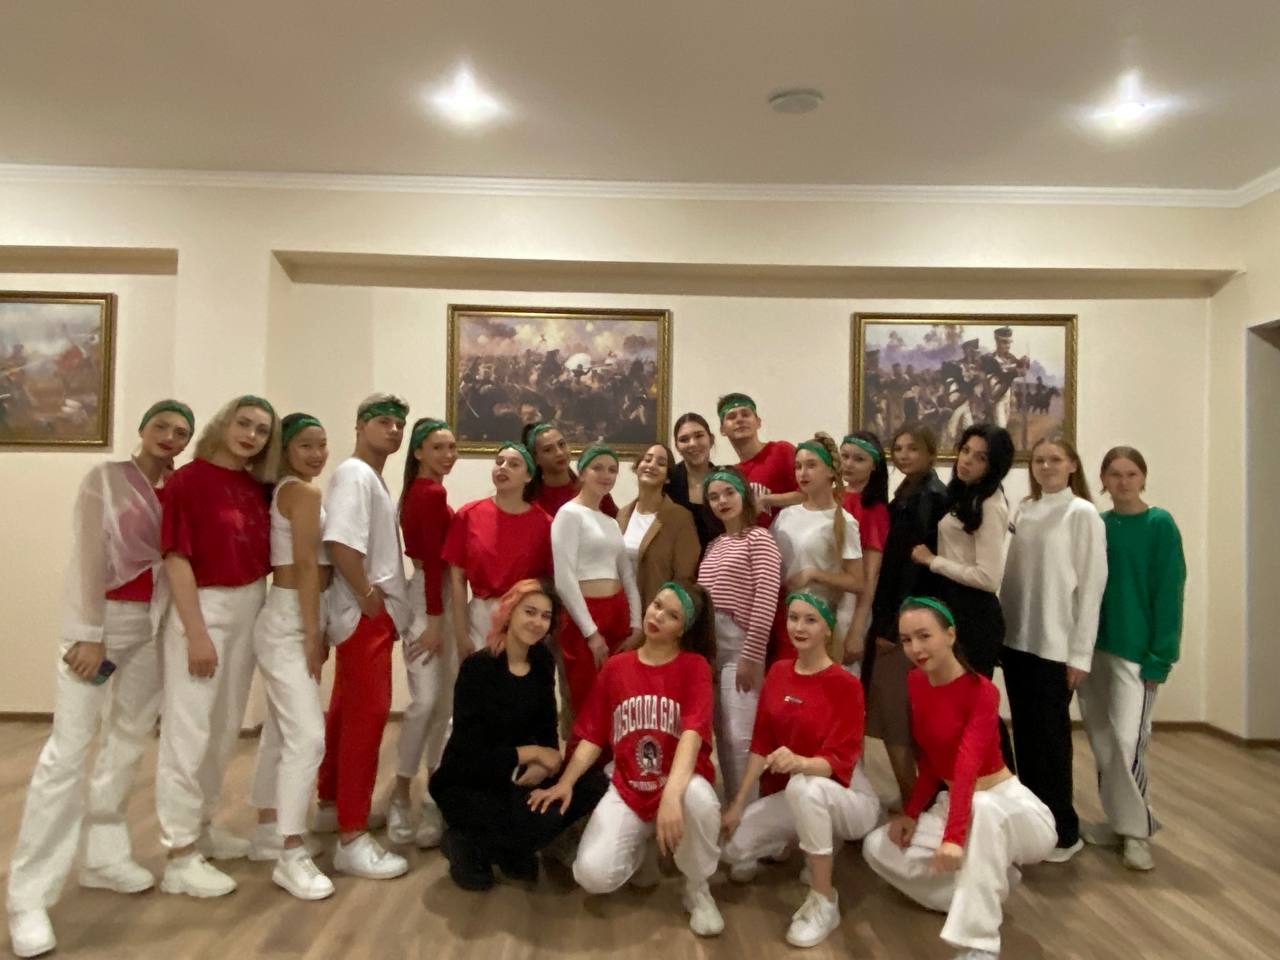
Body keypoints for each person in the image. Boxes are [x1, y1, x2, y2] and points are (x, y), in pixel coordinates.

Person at [7, 401, 194, 958]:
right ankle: (28, 897)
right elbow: (89, 557)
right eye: (161, 426)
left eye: (180, 431)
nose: (169, 436)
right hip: (100, 627)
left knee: (129, 739)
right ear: (142, 428)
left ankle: (104, 856)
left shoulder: (178, 489)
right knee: (68, 752)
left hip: (151, 627)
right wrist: (88, 634)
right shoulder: (105, 479)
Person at [863, 598, 1056, 960]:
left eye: (924, 636)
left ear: (950, 635)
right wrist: (911, 813)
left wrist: (953, 838)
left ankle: (980, 943)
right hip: (955, 801)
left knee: (984, 806)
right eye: (906, 640)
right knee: (876, 847)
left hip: (1006, 803)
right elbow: (932, 761)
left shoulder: (982, 690)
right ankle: (985, 889)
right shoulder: (916, 682)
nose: (915, 648)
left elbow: (967, 765)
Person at [529, 582, 725, 937]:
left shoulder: (694, 667)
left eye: (671, 615)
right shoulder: (617, 666)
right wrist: (566, 782)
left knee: (701, 800)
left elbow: (693, 735)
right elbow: (592, 734)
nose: (657, 616)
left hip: (679, 783)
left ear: (683, 629)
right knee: (591, 875)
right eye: (657, 605)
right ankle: (642, 848)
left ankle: (697, 887)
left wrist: (671, 795)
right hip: (629, 785)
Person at [154, 395, 278, 897]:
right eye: (243, 423)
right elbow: (175, 557)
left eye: (261, 430)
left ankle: (202, 827)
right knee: (188, 730)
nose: (250, 435)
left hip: (249, 604)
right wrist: (197, 632)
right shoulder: (188, 481)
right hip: (203, 606)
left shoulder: (255, 486)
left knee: (224, 726)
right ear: (223, 424)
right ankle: (179, 853)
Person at [720, 593, 880, 949]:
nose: (799, 627)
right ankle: (802, 839)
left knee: (805, 788)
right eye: (793, 618)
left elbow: (840, 761)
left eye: (810, 620)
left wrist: (801, 763)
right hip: (801, 788)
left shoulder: (846, 684)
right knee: (733, 849)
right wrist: (738, 804)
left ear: (828, 628)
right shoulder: (778, 672)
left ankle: (824, 899)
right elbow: (761, 743)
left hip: (848, 794)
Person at [430, 579, 607, 891]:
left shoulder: (542, 662)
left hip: (517, 775)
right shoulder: (478, 668)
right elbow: (472, 753)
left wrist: (546, 765)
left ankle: (509, 845)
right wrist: (532, 754)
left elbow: (547, 730)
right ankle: (465, 842)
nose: (537, 622)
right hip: (471, 781)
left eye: (545, 616)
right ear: (509, 613)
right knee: (487, 870)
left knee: (593, 783)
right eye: (529, 612)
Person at [312, 393, 412, 880]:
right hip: (363, 613)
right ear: (359, 425)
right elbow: (341, 544)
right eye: (384, 421)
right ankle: (351, 836)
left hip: (366, 612)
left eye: (399, 424)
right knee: (366, 721)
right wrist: (370, 597)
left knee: (346, 710)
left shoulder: (369, 477)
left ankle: (332, 804)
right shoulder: (355, 474)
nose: (393, 430)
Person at [1077, 446, 1186, 872]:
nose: (1123, 482)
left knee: (1128, 743)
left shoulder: (1160, 524)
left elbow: (1169, 591)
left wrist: (1161, 657)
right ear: (1103, 480)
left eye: (1131, 474)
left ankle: (1138, 833)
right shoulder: (1097, 523)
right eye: (1115, 474)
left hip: (1137, 655)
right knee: (1104, 744)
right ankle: (1118, 823)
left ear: (1143, 477)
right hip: (1092, 651)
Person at [1000, 434, 1107, 863]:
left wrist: (1080, 655)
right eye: (1039, 460)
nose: (1046, 467)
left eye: (1055, 460)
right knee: (1026, 738)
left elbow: (1092, 588)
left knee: (1051, 741)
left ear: (1072, 465)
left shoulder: (1082, 514)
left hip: (1056, 647)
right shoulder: (1025, 509)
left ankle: (1065, 830)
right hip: (1017, 642)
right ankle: (1035, 825)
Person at [247, 413, 333, 900]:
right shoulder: (302, 492)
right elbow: (305, 564)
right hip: (289, 617)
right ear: (285, 449)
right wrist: (312, 631)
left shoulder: (286, 489)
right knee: (307, 736)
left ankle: (267, 826)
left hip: (284, 614)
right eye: (306, 445)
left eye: (322, 444)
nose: (317, 454)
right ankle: (291, 851)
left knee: (282, 730)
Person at [910, 425, 1016, 767]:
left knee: (976, 707)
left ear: (994, 465)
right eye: (966, 451)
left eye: (980, 457)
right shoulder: (964, 494)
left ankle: (1001, 783)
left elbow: (988, 577)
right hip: (952, 607)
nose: (967, 461)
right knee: (952, 705)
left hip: (975, 615)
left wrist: (933, 561)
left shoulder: (990, 504)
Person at [866, 424, 948, 803]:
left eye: (912, 448)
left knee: (897, 715)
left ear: (930, 453)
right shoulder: (906, 493)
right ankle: (917, 796)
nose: (903, 455)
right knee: (896, 713)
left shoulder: (929, 497)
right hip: (899, 617)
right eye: (897, 449)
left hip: (905, 621)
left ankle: (916, 799)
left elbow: (911, 570)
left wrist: (892, 627)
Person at [386, 418, 457, 850]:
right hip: (429, 601)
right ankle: (400, 791)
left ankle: (434, 794)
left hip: (442, 597)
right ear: (418, 452)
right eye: (437, 448)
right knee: (426, 702)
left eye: (451, 447)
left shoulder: (424, 491)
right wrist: (433, 621)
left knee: (444, 705)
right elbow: (431, 563)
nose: (447, 455)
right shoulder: (428, 493)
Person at [696, 470, 782, 802]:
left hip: (740, 648)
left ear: (743, 495)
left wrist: (752, 655)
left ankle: (749, 814)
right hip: (713, 651)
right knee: (722, 734)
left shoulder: (760, 539)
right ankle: (734, 808)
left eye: (728, 493)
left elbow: (766, 598)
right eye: (714, 496)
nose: (722, 501)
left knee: (740, 736)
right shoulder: (714, 544)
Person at [551, 444, 642, 717]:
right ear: (582, 472)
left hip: (617, 613)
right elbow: (564, 577)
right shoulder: (569, 514)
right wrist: (591, 632)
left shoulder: (610, 522)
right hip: (586, 616)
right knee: (588, 698)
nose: (606, 475)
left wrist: (636, 624)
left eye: (612, 470)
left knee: (618, 697)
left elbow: (627, 575)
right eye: (598, 468)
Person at [443, 442, 553, 654]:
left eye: (513, 464)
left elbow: (551, 580)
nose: (503, 468)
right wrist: (461, 634)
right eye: (499, 462)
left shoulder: (544, 523)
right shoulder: (469, 515)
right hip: (480, 616)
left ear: (528, 476)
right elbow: (457, 579)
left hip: (525, 616)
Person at [770, 433, 864, 665]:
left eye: (811, 465)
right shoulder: (785, 516)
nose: (803, 473)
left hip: (819, 618)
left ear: (830, 471)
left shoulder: (843, 521)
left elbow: (856, 581)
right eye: (798, 466)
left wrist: (814, 574)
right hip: (785, 615)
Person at [617, 442, 700, 610]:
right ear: (637, 467)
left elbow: (684, 578)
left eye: (661, 463)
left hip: (655, 614)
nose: (652, 465)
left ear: (667, 477)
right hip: (620, 611)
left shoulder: (680, 518)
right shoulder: (622, 514)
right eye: (647, 460)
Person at [839, 431, 890, 670]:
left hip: (851, 601)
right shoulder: (834, 496)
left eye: (859, 459)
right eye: (845, 456)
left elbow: (870, 574)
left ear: (873, 466)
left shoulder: (873, 509)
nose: (849, 464)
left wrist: (857, 629)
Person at [715, 393, 800, 526]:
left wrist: (767, 500)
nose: (739, 420)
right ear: (722, 430)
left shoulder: (781, 451)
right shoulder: (732, 475)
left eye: (745, 414)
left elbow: (810, 495)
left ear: (758, 422)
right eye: (731, 417)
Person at [522, 421, 617, 518]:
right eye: (548, 450)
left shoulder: (593, 489)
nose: (559, 453)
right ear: (535, 458)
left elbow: (617, 523)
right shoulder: (530, 500)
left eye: (562, 444)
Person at [668, 412, 722, 551]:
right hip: (676, 561)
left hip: (719, 561)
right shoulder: (667, 481)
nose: (692, 444)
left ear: (711, 440)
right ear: (677, 446)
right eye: (684, 439)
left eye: (699, 436)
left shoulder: (725, 480)